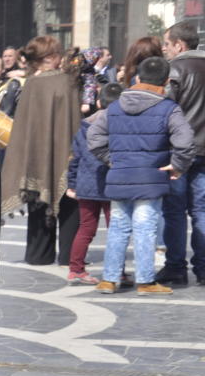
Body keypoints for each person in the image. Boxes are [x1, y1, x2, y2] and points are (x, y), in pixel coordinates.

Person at [89, 56, 196, 295]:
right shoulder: (169, 108)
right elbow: (186, 141)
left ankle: (109, 279)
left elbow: (94, 137)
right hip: (152, 177)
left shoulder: (114, 107)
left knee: (118, 227)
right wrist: (178, 165)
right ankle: (146, 280)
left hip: (119, 176)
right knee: (145, 227)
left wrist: (110, 160)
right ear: (166, 81)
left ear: (137, 78)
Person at [0, 35, 79, 265]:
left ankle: (38, 254)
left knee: (38, 201)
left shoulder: (32, 85)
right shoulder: (68, 82)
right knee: (69, 204)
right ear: (51, 57)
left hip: (36, 158)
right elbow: (75, 120)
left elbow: (26, 128)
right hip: (67, 153)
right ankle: (69, 256)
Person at [160, 21, 205, 285]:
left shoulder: (175, 69)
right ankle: (203, 267)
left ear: (179, 45)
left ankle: (176, 267)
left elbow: (164, 108)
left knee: (175, 211)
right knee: (201, 210)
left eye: (167, 44)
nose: (164, 49)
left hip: (179, 151)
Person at [64, 82, 121, 285]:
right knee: (117, 230)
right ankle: (118, 270)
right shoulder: (118, 124)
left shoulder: (83, 126)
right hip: (112, 184)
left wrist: (72, 183)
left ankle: (76, 269)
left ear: (98, 102)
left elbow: (75, 159)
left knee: (86, 228)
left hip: (87, 184)